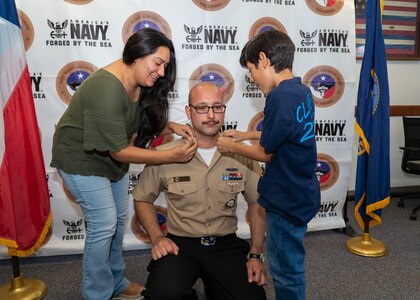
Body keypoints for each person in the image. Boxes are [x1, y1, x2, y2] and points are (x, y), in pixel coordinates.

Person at [51, 28, 197, 300]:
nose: (162, 72)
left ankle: (116, 282)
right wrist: (169, 155)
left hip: (107, 159)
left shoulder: (139, 81)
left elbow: (130, 121)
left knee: (117, 222)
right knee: (104, 223)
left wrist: (170, 125)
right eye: (158, 63)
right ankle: (97, 293)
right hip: (79, 160)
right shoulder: (106, 87)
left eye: (165, 65)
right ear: (138, 54)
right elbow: (120, 150)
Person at [133, 82, 267, 300]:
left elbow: (256, 204)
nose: (211, 115)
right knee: (163, 295)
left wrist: (255, 255)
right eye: (202, 108)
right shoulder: (165, 155)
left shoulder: (242, 154)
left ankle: (215, 287)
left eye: (217, 107)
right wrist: (157, 238)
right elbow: (142, 198)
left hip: (225, 244)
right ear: (189, 111)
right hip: (181, 244)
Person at [217, 29, 321, 300]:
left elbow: (266, 153)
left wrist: (231, 146)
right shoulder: (300, 91)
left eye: (251, 69)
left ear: (264, 59)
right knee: (291, 264)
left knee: (286, 271)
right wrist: (246, 135)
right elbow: (284, 135)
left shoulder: (278, 97)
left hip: (285, 199)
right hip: (302, 192)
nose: (251, 77)